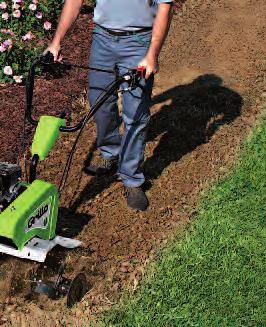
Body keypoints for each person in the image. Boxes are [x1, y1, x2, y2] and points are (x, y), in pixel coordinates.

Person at [46, 0, 174, 211]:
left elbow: (164, 8)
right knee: (99, 102)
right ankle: (111, 152)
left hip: (139, 42)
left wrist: (152, 54)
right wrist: (57, 41)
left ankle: (132, 178)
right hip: (102, 39)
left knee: (135, 115)